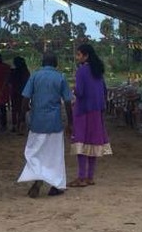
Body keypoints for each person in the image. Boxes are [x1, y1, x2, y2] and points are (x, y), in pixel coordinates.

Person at [17, 52, 72, 199]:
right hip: (54, 122)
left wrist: (21, 119)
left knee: (34, 152)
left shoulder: (34, 76)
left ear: (42, 63)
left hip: (37, 122)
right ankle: (56, 185)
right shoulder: (60, 77)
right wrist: (70, 123)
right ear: (56, 64)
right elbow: (67, 101)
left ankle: (38, 176)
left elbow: (25, 98)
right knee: (55, 155)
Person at [69, 43, 112, 188]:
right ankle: (90, 177)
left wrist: (73, 90)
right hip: (97, 111)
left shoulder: (81, 71)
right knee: (93, 142)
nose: (77, 57)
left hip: (83, 111)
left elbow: (80, 92)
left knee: (81, 143)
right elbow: (104, 90)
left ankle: (81, 177)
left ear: (86, 55)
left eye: (79, 54)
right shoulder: (98, 71)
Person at [9, 56, 31, 133]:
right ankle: (22, 125)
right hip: (24, 92)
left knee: (14, 109)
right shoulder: (26, 72)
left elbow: (9, 83)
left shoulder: (12, 72)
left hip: (14, 92)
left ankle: (14, 125)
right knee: (23, 108)